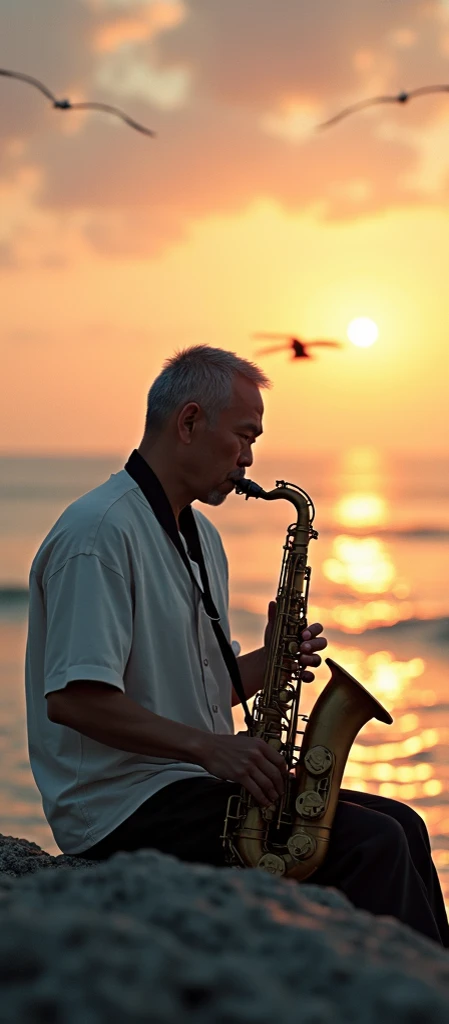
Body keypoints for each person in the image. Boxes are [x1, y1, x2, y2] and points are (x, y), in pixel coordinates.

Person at [25, 345, 448, 947]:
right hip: (120, 809)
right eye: (245, 437)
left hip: (183, 784)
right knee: (371, 844)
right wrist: (212, 749)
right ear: (190, 422)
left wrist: (268, 662)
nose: (250, 460)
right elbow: (75, 701)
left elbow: (189, 690)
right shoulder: (100, 532)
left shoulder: (200, 536)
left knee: (401, 823)